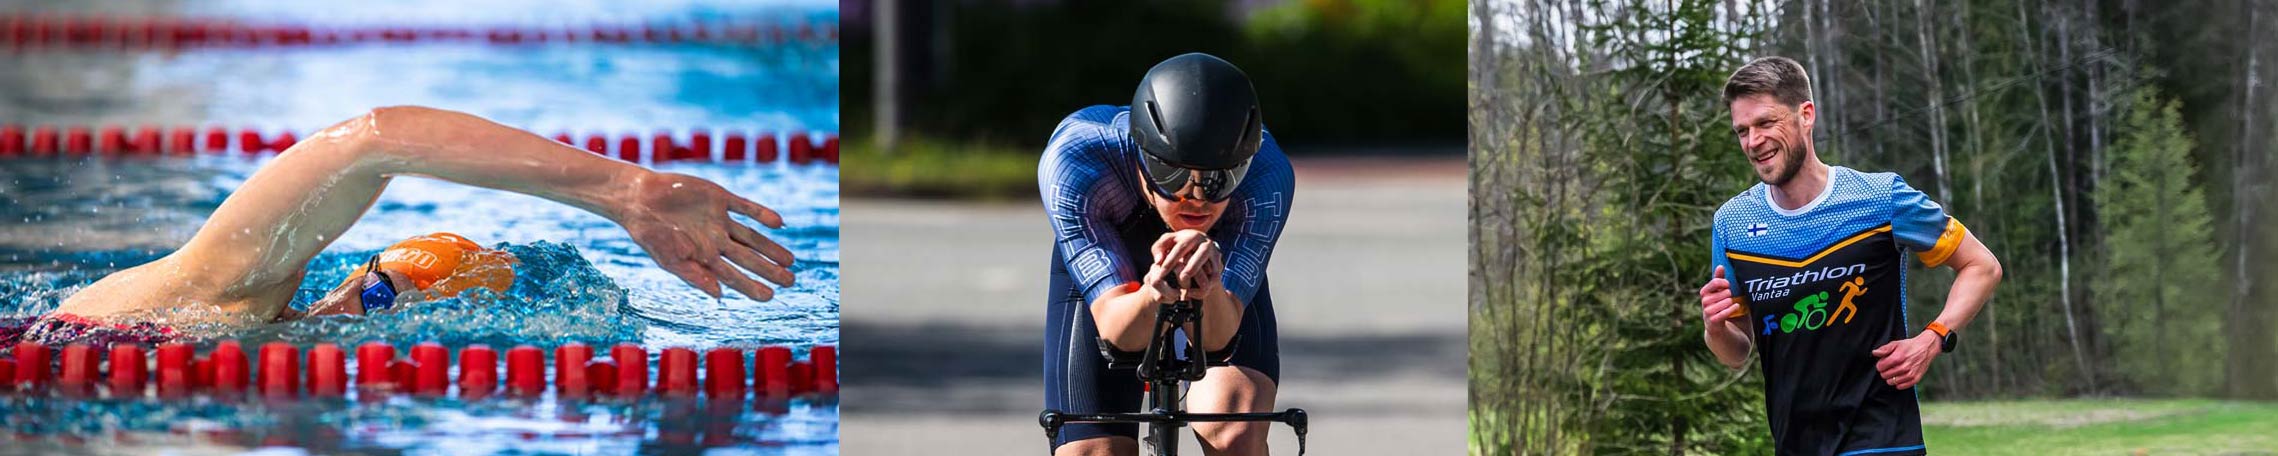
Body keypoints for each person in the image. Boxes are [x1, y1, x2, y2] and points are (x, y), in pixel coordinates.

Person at [14, 106, 795, 346]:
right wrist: (624, 190)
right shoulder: (230, 287)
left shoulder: (269, 342)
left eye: (397, 311)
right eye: (379, 290)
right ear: (353, 271)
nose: (363, 310)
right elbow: (376, 137)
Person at [1697, 57, 2004, 455]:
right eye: (1742, 130)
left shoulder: (1880, 199)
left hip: (1883, 438)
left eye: (1765, 123)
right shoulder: (1733, 225)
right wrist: (1716, 329)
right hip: (1796, 444)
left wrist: (1933, 338)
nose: (1753, 141)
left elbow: (1981, 265)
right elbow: (1737, 353)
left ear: (1806, 115)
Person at [1038, 53, 1293, 456]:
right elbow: (1118, 333)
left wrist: (1207, 288)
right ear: (1140, 154)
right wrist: (1153, 293)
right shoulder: (1078, 161)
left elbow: (1218, 339)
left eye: (1219, 179)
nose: (1196, 198)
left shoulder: (1267, 176)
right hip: (1114, 255)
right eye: (1172, 174)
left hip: (1218, 270)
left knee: (1234, 434)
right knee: (1094, 452)